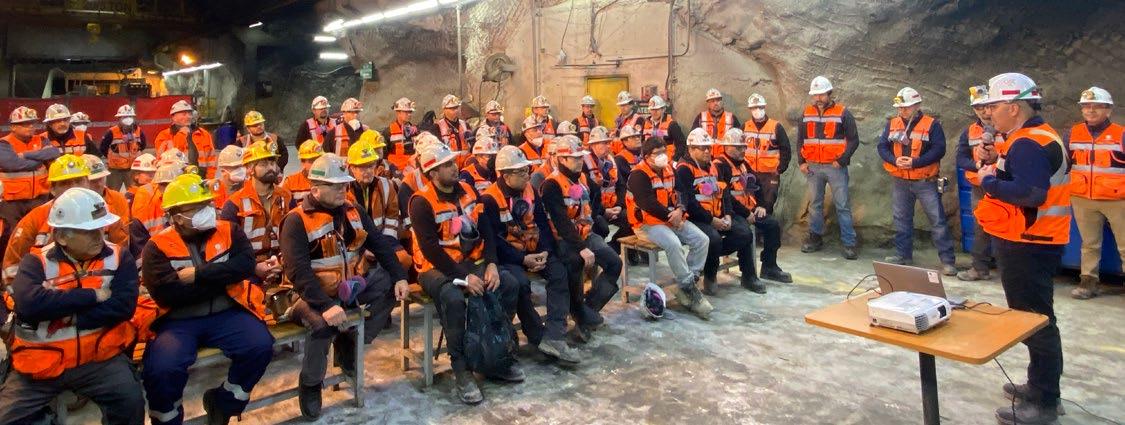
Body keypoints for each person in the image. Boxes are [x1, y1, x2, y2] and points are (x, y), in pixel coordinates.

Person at [280, 153, 409, 419]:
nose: (342, 189)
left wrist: (400, 276)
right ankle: (311, 383)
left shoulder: (353, 211)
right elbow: (298, 273)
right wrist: (326, 305)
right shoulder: (296, 220)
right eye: (335, 185)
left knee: (388, 283)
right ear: (315, 188)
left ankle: (349, 344)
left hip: (348, 286)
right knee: (321, 325)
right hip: (307, 294)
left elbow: (379, 244)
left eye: (344, 184)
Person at [0, 187, 144, 424]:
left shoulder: (119, 257)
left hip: (99, 360)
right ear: (61, 237)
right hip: (40, 365)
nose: (99, 236)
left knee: (131, 402)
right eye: (89, 231)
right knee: (6, 417)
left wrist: (73, 317)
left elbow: (123, 307)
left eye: (101, 228)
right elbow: (30, 305)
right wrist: (93, 296)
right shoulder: (35, 262)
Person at [973, 72, 1069, 425]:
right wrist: (996, 160)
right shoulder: (1031, 137)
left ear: (1014, 107)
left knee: (1035, 321)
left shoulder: (1028, 142)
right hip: (1032, 239)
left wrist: (989, 181)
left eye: (995, 105)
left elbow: (1031, 193)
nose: (989, 112)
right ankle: (1040, 386)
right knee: (1035, 318)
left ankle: (1044, 402)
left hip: (1029, 241)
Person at [141, 173, 274, 424]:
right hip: (178, 322)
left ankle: (224, 402)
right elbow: (166, 294)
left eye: (207, 204)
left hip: (227, 312)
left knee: (259, 346)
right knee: (162, 369)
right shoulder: (157, 246)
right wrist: (223, 279)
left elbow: (245, 265)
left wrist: (199, 275)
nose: (206, 211)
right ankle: (167, 419)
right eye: (196, 207)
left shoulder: (229, 231)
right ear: (176, 216)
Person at [408, 142, 525, 404]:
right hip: (435, 268)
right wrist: (463, 277)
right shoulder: (421, 202)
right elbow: (430, 249)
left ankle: (495, 356)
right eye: (447, 165)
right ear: (433, 173)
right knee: (453, 299)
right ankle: (462, 370)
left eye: (453, 162)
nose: (454, 167)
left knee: (508, 283)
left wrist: (492, 263)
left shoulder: (469, 191)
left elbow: (487, 231)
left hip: (471, 260)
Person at [479, 146, 578, 363]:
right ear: (505, 175)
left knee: (559, 271)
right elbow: (494, 241)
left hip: (534, 250)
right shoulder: (489, 199)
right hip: (509, 257)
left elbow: (541, 223)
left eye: (527, 170)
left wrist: (545, 252)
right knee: (520, 284)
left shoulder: (531, 191)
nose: (527, 175)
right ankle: (536, 335)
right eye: (521, 172)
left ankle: (555, 335)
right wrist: (522, 259)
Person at [541, 136, 622, 341]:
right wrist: (581, 247)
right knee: (575, 264)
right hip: (564, 240)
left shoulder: (582, 178)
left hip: (586, 234)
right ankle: (578, 312)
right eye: (575, 158)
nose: (580, 161)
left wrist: (597, 216)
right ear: (562, 159)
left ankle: (587, 309)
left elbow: (594, 198)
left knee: (614, 263)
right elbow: (561, 222)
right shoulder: (552, 184)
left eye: (581, 157)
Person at [3, 155, 129, 285]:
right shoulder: (34, 219)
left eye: (78, 181)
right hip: (48, 294)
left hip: (102, 291)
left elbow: (122, 260)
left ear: (88, 183)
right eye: (65, 183)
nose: (73, 188)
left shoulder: (106, 216)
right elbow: (12, 267)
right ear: (52, 189)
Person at [627, 137, 712, 319]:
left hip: (672, 219)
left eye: (664, 151)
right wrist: (671, 216)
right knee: (674, 244)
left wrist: (680, 209)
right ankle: (690, 290)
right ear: (647, 156)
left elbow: (682, 192)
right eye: (657, 153)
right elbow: (647, 203)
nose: (662, 156)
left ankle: (686, 286)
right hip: (647, 224)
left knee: (702, 240)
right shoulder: (638, 175)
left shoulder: (669, 169)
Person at [876, 87, 957, 275]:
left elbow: (939, 149)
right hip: (900, 180)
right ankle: (903, 255)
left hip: (925, 180)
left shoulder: (931, 125)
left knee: (937, 220)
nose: (902, 110)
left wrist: (915, 162)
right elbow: (882, 147)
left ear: (917, 105)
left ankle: (948, 261)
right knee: (901, 219)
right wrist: (894, 160)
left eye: (906, 107)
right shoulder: (893, 124)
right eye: (900, 107)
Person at [676, 128, 764, 295]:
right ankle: (710, 276)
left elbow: (724, 194)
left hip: (718, 214)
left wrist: (728, 215)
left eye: (709, 147)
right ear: (691, 149)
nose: (707, 151)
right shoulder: (684, 169)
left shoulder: (712, 166)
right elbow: (690, 203)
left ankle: (748, 276)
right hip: (696, 218)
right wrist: (712, 221)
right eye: (703, 148)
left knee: (744, 233)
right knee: (714, 238)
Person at [1066, 86, 1124, 299]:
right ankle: (1088, 283)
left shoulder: (1121, 134)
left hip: (1117, 199)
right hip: (1082, 198)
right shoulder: (1073, 133)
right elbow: (1065, 164)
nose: (1090, 110)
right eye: (1086, 106)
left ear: (1108, 110)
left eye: (1097, 106)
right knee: (1089, 244)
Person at [713, 128, 791, 284]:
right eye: (739, 147)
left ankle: (769, 266)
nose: (743, 150)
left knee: (772, 225)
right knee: (745, 233)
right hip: (730, 211)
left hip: (748, 209)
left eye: (744, 147)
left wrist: (761, 205)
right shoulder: (719, 166)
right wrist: (746, 213)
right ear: (727, 147)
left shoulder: (743, 164)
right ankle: (748, 275)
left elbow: (757, 184)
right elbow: (726, 197)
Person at [797, 76, 861, 259]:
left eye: (821, 94)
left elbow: (854, 140)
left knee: (842, 205)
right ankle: (815, 238)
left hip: (835, 168)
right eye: (815, 95)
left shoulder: (843, 113)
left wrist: (842, 160)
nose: (818, 98)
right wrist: (802, 162)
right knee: (815, 204)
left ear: (829, 93)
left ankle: (849, 243)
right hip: (813, 167)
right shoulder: (806, 113)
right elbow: (800, 140)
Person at [219, 141, 292, 292]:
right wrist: (253, 267)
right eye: (264, 164)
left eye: (273, 163)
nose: (271, 168)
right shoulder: (233, 204)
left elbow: (296, 237)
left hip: (283, 265)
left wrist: (281, 262)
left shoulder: (286, 196)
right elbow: (226, 250)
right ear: (249, 169)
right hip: (248, 270)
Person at [955, 85, 1002, 281]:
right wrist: (977, 166)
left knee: (1007, 227)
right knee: (980, 227)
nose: (983, 111)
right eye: (977, 107)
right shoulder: (970, 132)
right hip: (980, 187)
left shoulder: (1007, 128)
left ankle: (1008, 271)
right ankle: (979, 268)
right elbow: (961, 158)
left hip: (1004, 186)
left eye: (985, 106)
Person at [1, 106, 60, 250]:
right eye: (25, 124)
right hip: (12, 201)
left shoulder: (42, 139)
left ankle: (36, 259)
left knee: (40, 234)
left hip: (40, 198)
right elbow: (13, 164)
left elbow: (53, 153)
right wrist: (39, 159)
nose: (31, 126)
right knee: (13, 236)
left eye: (32, 123)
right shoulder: (4, 143)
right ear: (13, 127)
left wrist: (26, 155)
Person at [742, 93, 791, 213]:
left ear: (764, 107)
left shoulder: (775, 126)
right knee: (751, 205)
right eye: (754, 108)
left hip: (770, 174)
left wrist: (780, 169)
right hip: (750, 173)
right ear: (750, 109)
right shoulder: (745, 126)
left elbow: (785, 149)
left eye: (760, 107)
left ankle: (767, 225)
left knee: (767, 207)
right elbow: (739, 149)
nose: (757, 110)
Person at [155, 100, 217, 179]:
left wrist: (210, 179)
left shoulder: (203, 134)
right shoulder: (164, 136)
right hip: (175, 179)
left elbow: (211, 160)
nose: (188, 116)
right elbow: (162, 160)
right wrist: (182, 135)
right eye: (184, 114)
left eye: (190, 113)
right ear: (173, 117)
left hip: (201, 178)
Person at [613, 125, 646, 263]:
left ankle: (637, 252)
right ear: (625, 141)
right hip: (627, 201)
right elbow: (622, 185)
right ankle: (614, 246)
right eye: (633, 137)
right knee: (632, 218)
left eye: (638, 136)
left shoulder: (642, 155)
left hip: (641, 199)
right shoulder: (620, 159)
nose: (638, 139)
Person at [100, 104, 147, 191]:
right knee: (112, 194)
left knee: (135, 193)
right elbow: (103, 148)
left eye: (130, 117)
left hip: (132, 169)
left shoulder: (139, 131)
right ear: (119, 119)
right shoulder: (111, 132)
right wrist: (112, 158)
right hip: (115, 170)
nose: (128, 119)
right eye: (124, 117)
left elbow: (143, 145)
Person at [425, 95, 474, 168]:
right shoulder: (437, 127)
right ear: (444, 110)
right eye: (452, 109)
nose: (455, 111)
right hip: (449, 166)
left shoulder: (465, 125)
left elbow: (472, 145)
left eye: (456, 107)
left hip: (466, 165)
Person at [692, 88, 741, 159]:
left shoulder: (731, 118)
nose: (715, 103)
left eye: (718, 100)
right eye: (712, 101)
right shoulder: (701, 117)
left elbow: (739, 141)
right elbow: (693, 138)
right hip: (706, 158)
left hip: (725, 159)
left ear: (722, 101)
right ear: (708, 103)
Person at [83, 154, 131, 222]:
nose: (99, 184)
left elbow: (124, 226)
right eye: (94, 181)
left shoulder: (118, 198)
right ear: (81, 182)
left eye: (101, 179)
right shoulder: (75, 204)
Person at [641, 95, 687, 161]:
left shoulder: (672, 125)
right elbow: (642, 143)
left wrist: (675, 159)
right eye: (652, 109)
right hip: (650, 161)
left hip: (667, 161)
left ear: (663, 109)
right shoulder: (645, 123)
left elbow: (681, 144)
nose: (654, 112)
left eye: (657, 109)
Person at [383, 97, 420, 172]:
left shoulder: (415, 131)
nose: (409, 114)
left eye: (410, 112)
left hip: (412, 171)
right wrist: (388, 169)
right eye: (406, 112)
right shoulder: (388, 132)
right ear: (398, 112)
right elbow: (383, 155)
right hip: (396, 172)